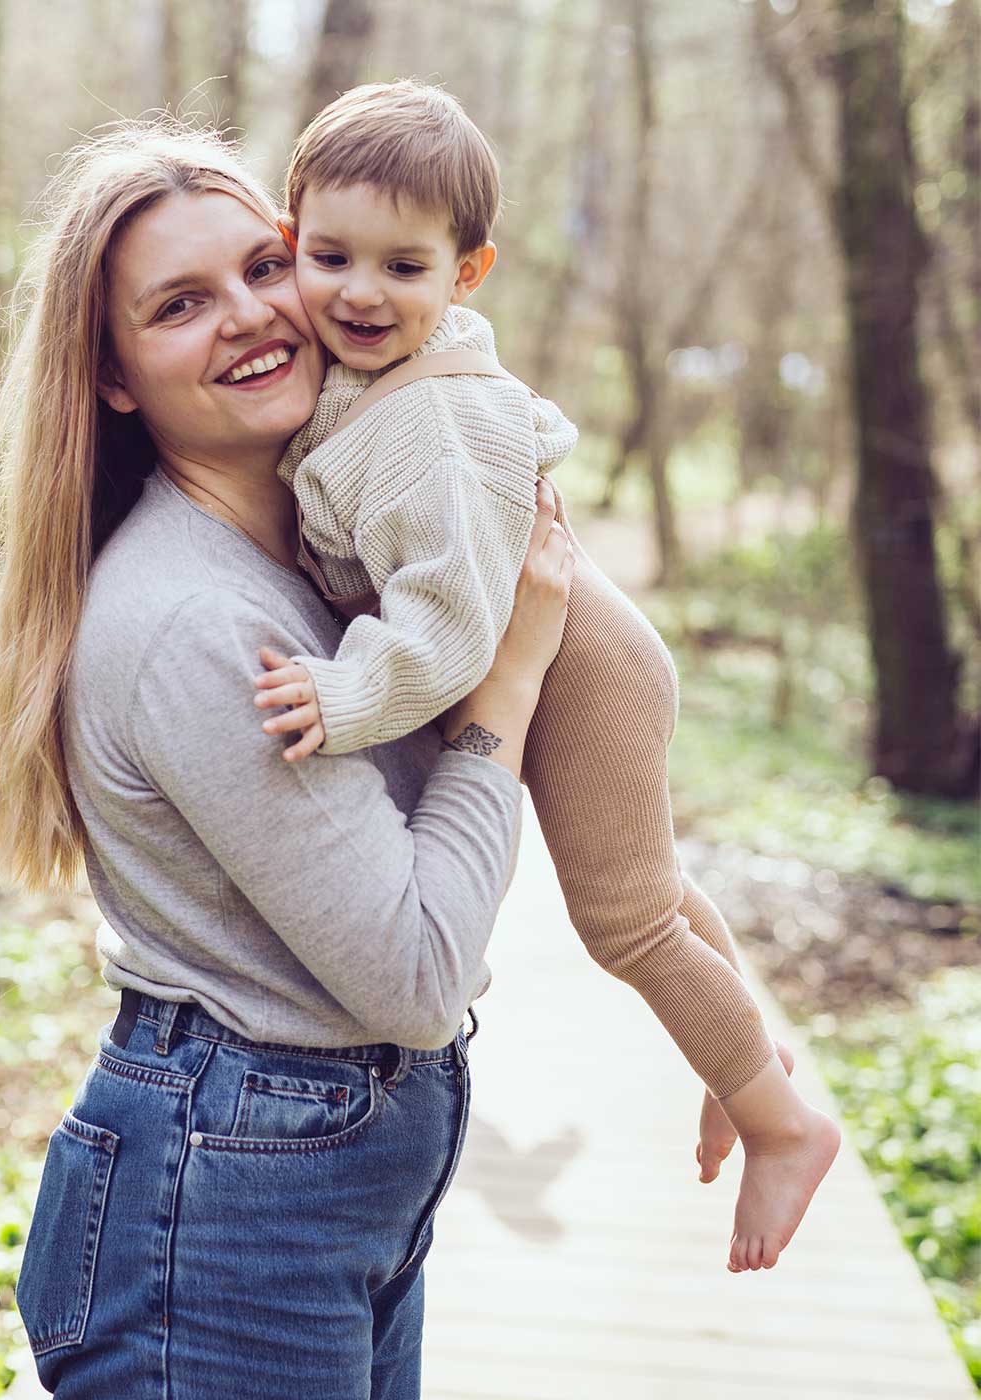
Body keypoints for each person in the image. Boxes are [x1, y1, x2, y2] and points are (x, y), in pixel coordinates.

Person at [0, 121, 572, 1398]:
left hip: (324, 1187)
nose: (248, 314)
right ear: (113, 374)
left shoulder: (330, 556)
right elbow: (413, 971)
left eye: (263, 265)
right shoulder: (196, 620)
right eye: (178, 304)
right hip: (222, 1221)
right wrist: (500, 688)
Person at [253, 79, 840, 1276]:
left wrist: (348, 694)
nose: (359, 292)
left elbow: (454, 618)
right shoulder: (370, 377)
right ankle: (743, 1060)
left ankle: (784, 1123)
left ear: (466, 274)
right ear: (288, 239)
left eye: (403, 268)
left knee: (623, 919)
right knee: (651, 887)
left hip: (579, 673)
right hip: (592, 646)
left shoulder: (433, 423)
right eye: (330, 257)